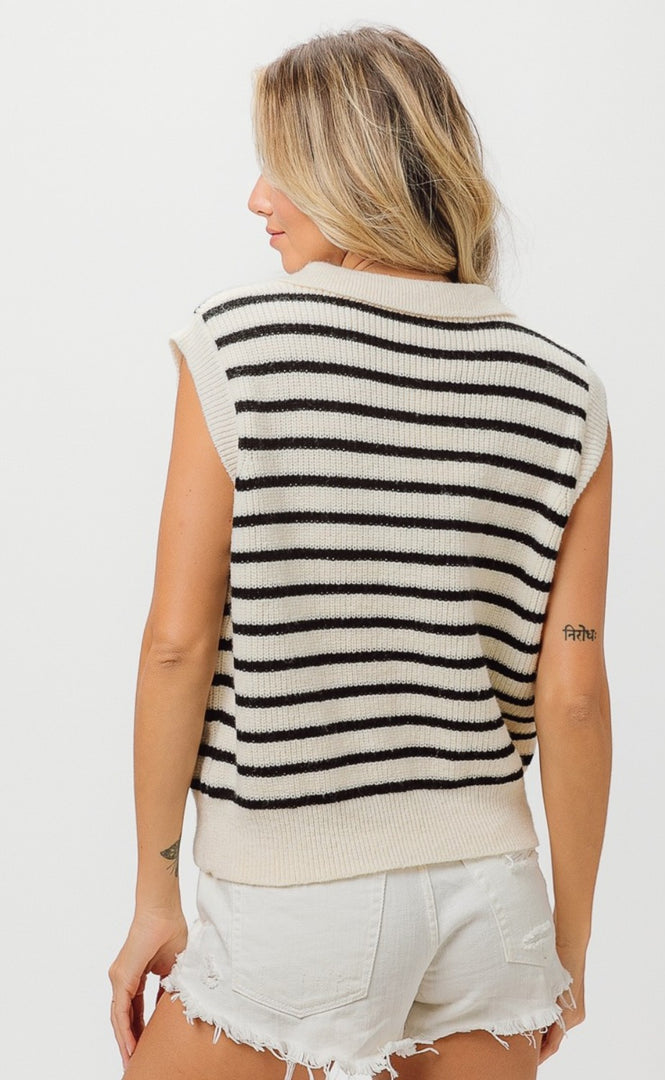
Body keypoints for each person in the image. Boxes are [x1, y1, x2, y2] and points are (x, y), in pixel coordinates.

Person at [108, 23, 612, 1080]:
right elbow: (572, 693)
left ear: (353, 175)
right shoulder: (566, 394)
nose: (257, 199)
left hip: (294, 898)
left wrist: (157, 890)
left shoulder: (237, 350)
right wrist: (566, 942)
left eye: (280, 169)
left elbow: (175, 644)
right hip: (494, 897)